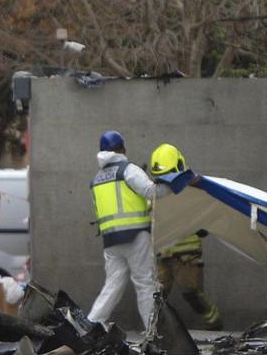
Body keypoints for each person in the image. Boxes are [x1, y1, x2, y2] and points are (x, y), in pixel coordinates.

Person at [88, 132, 194, 330]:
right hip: (135, 236)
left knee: (112, 286)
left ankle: (91, 325)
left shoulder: (96, 179)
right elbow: (150, 192)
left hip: (111, 241)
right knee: (145, 284)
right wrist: (178, 185)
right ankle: (152, 332)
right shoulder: (128, 170)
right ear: (122, 149)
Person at [149, 143, 222, 330]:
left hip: (187, 255)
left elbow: (204, 216)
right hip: (163, 254)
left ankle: (214, 324)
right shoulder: (153, 193)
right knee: (157, 296)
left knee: (192, 294)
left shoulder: (193, 187)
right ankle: (155, 332)